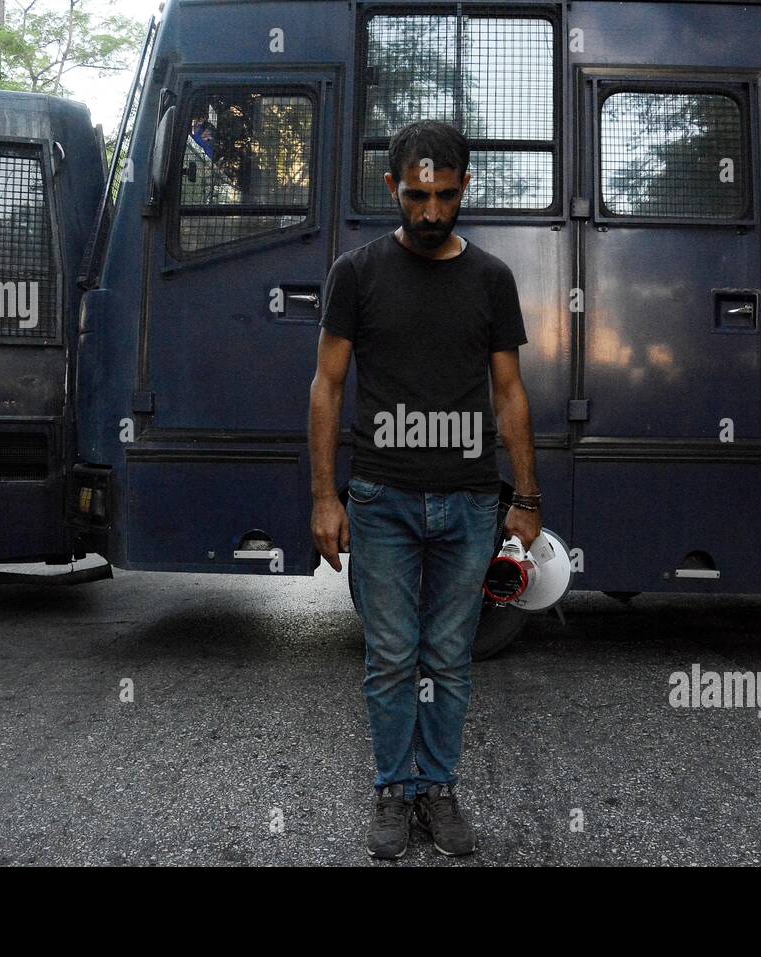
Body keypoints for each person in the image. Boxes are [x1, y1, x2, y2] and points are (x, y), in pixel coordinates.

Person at [308, 119, 541, 859]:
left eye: (445, 195)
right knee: (389, 656)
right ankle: (392, 790)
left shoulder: (492, 280)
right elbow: (327, 386)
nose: (432, 211)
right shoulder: (357, 273)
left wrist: (527, 497)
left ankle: (436, 789)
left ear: (466, 186)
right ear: (392, 189)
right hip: (381, 499)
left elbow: (509, 393)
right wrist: (324, 496)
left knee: (448, 655)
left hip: (471, 501)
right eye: (417, 195)